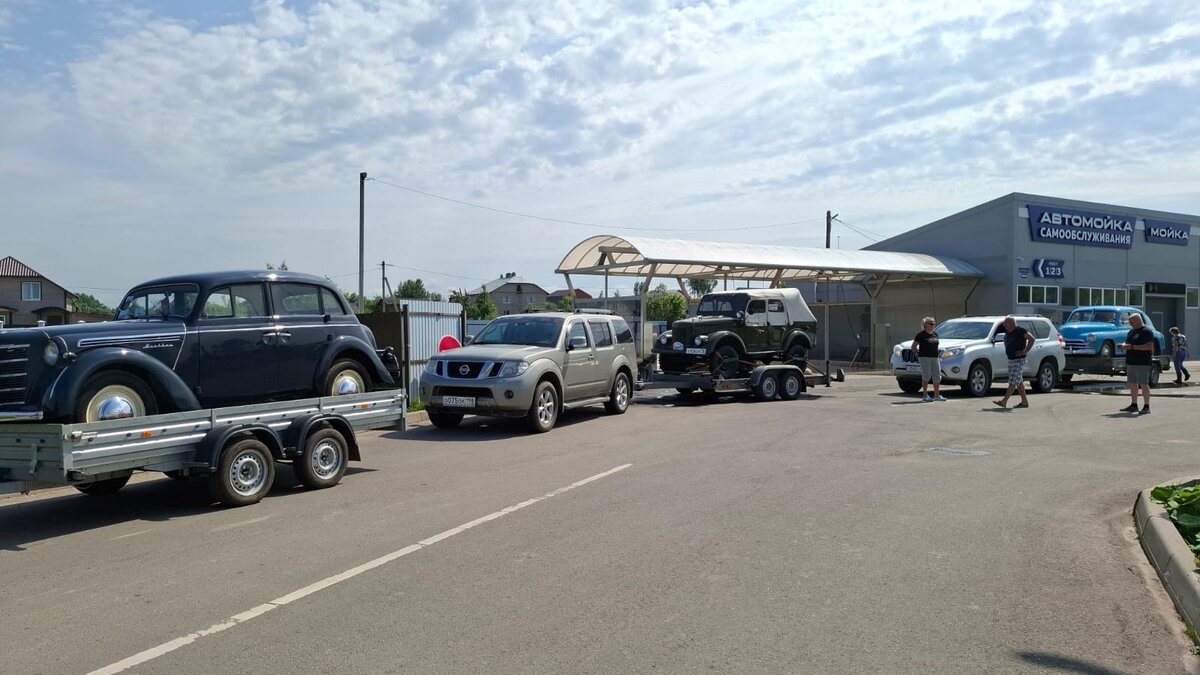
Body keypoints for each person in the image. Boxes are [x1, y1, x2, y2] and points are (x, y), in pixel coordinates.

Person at [994, 316, 1034, 410]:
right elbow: (1006, 342)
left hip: (1019, 360)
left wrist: (1025, 351)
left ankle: (1004, 401)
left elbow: (1032, 339)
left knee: (1013, 381)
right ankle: (1024, 402)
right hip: (1011, 360)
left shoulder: (1020, 331)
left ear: (1012, 323)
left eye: (1006, 323)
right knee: (1018, 381)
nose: (1004, 325)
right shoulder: (1008, 332)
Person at [1119, 313, 1155, 414]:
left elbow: (1149, 347)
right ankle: (1134, 404)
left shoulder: (1147, 332)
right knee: (1133, 383)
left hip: (1142, 362)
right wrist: (1123, 345)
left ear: (1138, 321)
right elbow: (1127, 342)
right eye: (1130, 322)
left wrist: (1132, 347)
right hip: (1131, 361)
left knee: (1143, 384)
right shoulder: (1131, 332)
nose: (1131, 324)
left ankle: (1146, 406)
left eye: (1132, 322)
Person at [910, 317, 944, 402]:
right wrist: (918, 354)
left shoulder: (935, 334)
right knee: (926, 375)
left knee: (937, 375)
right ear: (925, 324)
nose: (933, 325)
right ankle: (925, 395)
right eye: (931, 324)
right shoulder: (921, 335)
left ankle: (937, 395)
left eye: (934, 324)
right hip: (925, 358)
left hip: (935, 358)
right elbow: (913, 347)